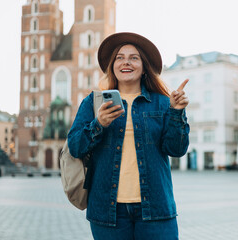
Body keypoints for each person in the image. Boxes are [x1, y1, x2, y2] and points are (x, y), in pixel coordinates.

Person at [68, 32, 190, 240]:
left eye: (134, 57)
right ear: (112, 66)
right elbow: (75, 146)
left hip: (156, 209)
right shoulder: (93, 102)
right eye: (119, 57)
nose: (126, 62)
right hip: (108, 211)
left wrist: (176, 112)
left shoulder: (163, 102)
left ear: (144, 67)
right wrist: (99, 124)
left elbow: (176, 150)